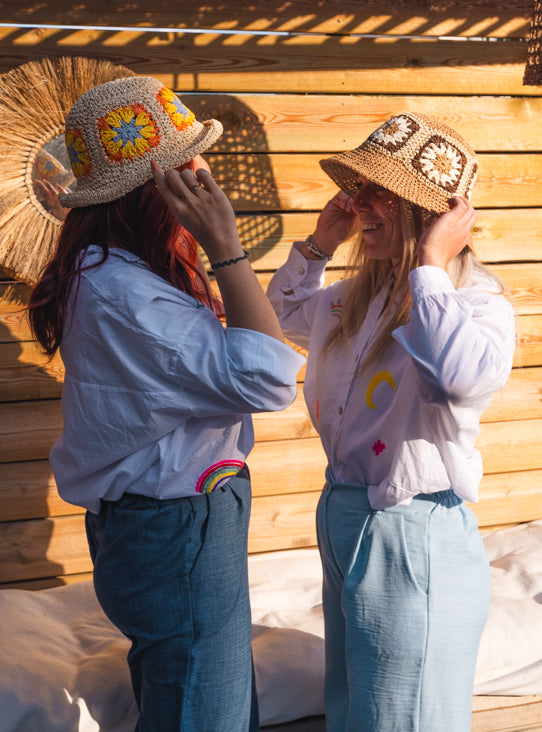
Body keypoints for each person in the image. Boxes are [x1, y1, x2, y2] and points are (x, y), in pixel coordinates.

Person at [28, 75, 305, 732]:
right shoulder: (128, 297)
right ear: (151, 190)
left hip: (168, 526)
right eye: (188, 164)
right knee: (202, 712)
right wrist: (227, 248)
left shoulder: (114, 269)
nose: (205, 175)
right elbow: (268, 378)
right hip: (178, 530)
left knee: (206, 699)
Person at [267, 111, 516, 732]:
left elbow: (458, 376)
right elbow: (277, 315)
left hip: (412, 531)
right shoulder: (356, 297)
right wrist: (320, 245)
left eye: (381, 190)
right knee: (355, 710)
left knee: (403, 719)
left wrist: (431, 260)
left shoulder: (475, 301)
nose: (359, 203)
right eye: (358, 188)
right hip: (346, 515)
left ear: (428, 210)